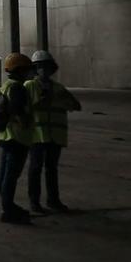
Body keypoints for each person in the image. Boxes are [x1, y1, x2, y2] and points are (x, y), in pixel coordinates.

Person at [25, 50, 81, 214]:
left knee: (51, 168)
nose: (44, 70)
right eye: (40, 67)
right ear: (35, 69)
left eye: (46, 66)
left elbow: (76, 105)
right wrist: (40, 103)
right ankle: (34, 202)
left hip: (55, 136)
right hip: (37, 135)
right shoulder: (30, 86)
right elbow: (24, 108)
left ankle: (53, 200)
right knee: (35, 168)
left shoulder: (58, 88)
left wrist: (58, 100)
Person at [0, 52, 35, 224]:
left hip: (6, 135)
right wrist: (26, 122)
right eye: (28, 70)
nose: (30, 73)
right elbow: (17, 110)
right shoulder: (18, 88)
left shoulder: (6, 85)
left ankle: (6, 205)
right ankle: (8, 209)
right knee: (11, 175)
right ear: (20, 70)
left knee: (4, 173)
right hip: (17, 137)